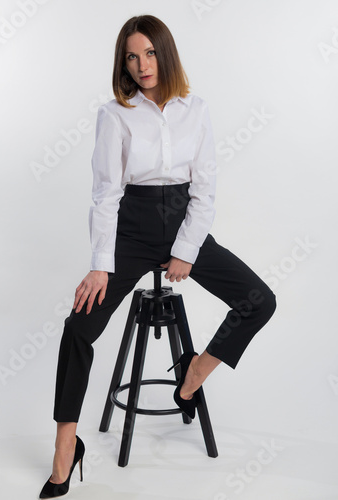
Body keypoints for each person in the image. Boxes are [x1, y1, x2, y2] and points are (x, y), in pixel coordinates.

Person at [39, 14, 277, 498]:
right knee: (77, 326)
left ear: (164, 53)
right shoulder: (116, 113)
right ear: (123, 63)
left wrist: (186, 250)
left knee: (260, 301)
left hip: (184, 223)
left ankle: (192, 375)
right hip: (132, 230)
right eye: (132, 55)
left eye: (149, 52)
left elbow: (206, 188)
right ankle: (66, 444)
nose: (141, 64)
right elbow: (106, 192)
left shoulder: (197, 108)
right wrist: (101, 263)